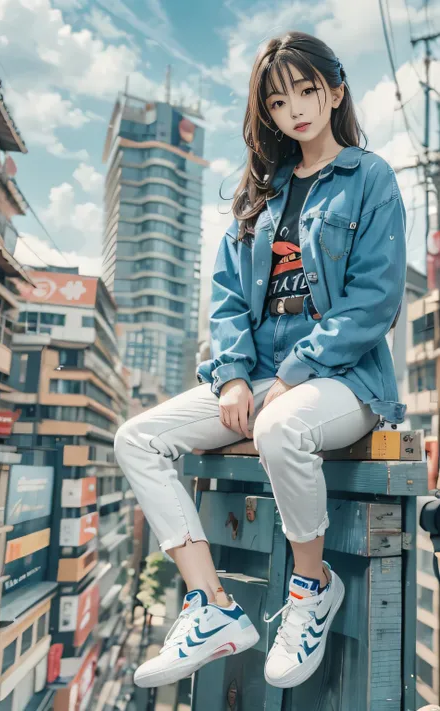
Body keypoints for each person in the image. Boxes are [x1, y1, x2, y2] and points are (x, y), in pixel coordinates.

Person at [114, 30, 406, 691]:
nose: (296, 109)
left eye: (307, 90)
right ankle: (212, 606)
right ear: (267, 114)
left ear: (335, 90)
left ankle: (312, 586)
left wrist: (295, 372)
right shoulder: (258, 197)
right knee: (138, 438)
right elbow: (224, 304)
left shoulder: (369, 179)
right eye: (278, 100)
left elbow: (373, 302)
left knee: (279, 427)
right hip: (261, 377)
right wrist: (233, 376)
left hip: (343, 378)